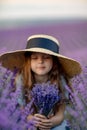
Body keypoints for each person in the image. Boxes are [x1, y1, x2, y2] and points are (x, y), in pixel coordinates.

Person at [0, 34, 82, 130]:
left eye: (46, 57)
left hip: (54, 123)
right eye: (35, 58)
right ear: (28, 61)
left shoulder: (60, 80)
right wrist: (31, 119)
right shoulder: (21, 79)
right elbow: (22, 111)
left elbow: (60, 114)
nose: (40, 61)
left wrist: (51, 122)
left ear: (54, 61)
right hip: (29, 122)